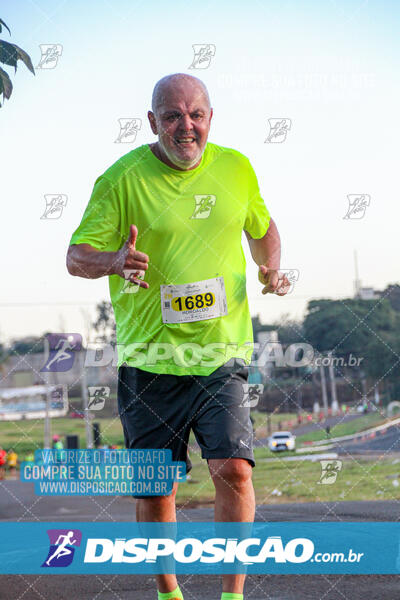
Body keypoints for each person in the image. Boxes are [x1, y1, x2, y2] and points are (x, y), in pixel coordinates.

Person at [67, 73, 289, 600]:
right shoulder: (121, 180)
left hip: (220, 354)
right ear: (152, 122)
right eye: (172, 116)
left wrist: (271, 268)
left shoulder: (236, 168)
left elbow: (262, 228)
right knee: (157, 488)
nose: (185, 126)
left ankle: (232, 595)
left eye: (196, 115)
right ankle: (169, 592)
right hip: (149, 361)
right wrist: (115, 260)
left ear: (211, 118)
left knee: (234, 469)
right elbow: (76, 257)